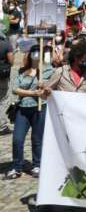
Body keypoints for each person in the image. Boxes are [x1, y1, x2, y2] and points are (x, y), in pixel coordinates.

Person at [6, 46, 47, 179]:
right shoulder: (22, 70)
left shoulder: (47, 70)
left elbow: (50, 88)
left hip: (39, 109)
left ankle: (37, 165)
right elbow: (15, 89)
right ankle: (16, 167)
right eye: (33, 52)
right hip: (23, 109)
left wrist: (44, 86)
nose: (35, 55)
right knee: (17, 139)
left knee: (37, 139)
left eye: (37, 52)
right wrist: (32, 92)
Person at [0, 30, 13, 136]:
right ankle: (2, 126)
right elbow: (11, 61)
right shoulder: (6, 44)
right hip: (2, 76)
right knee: (4, 99)